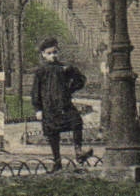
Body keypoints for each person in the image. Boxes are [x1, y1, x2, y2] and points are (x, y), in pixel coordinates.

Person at [31, 37, 93, 172]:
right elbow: (35, 91)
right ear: (43, 54)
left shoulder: (64, 68)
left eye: (55, 52)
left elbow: (80, 80)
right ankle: (57, 161)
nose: (53, 56)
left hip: (65, 106)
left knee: (77, 122)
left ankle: (79, 152)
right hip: (49, 108)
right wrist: (38, 109)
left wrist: (70, 87)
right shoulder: (41, 71)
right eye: (49, 53)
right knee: (53, 134)